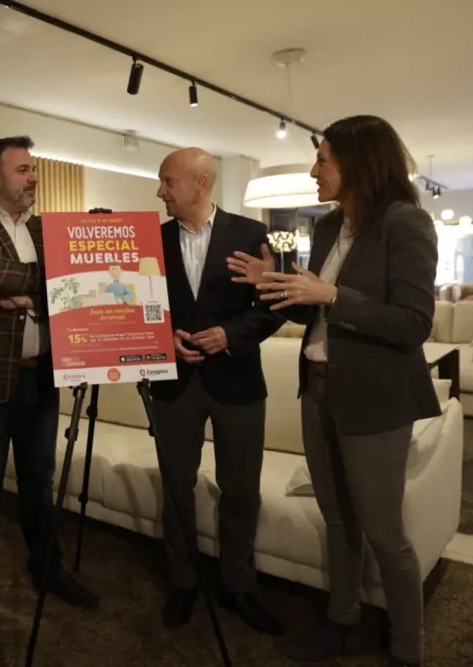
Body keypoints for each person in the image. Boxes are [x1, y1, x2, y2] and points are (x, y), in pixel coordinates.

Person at [228, 116, 439, 667]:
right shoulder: (326, 227)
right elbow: (314, 310)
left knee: (385, 533)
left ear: (358, 162)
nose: (313, 171)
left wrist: (333, 295)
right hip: (318, 391)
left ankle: (407, 648)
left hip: (376, 399)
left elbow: (414, 323)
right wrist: (274, 285)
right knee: (337, 518)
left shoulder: (405, 223)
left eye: (322, 159)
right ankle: (342, 619)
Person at [0, 135, 98, 651]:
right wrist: (41, 286)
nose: (34, 178)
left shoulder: (44, 229)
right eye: (24, 170)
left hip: (43, 375)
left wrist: (24, 294)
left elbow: (77, 283)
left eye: (33, 170)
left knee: (39, 482)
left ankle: (46, 567)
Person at [150, 147, 285, 634]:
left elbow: (274, 304)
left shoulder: (250, 235)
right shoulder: (151, 240)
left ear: (200, 183)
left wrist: (230, 335)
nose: (160, 191)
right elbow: (137, 306)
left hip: (238, 381)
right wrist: (162, 336)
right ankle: (183, 582)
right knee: (176, 489)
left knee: (242, 490)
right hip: (173, 383)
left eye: (168, 181)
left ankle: (238, 586)